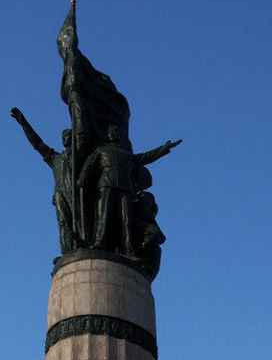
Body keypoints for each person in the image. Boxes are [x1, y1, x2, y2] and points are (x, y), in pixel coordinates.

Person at [78, 126, 181, 259]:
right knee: (104, 215)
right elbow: (89, 165)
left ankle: (128, 250)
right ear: (107, 135)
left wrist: (164, 148)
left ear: (119, 136)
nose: (112, 134)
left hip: (125, 188)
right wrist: (83, 178)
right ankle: (99, 243)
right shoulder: (101, 150)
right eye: (110, 132)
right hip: (106, 184)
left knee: (126, 220)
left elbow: (147, 156)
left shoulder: (127, 154)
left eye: (115, 132)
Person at [11, 108, 80, 252]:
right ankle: (66, 251)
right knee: (63, 223)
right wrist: (24, 123)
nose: (65, 137)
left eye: (68, 135)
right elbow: (37, 144)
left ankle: (82, 246)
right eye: (63, 136)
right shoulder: (56, 159)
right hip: (61, 195)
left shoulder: (79, 156)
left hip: (77, 194)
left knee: (79, 223)